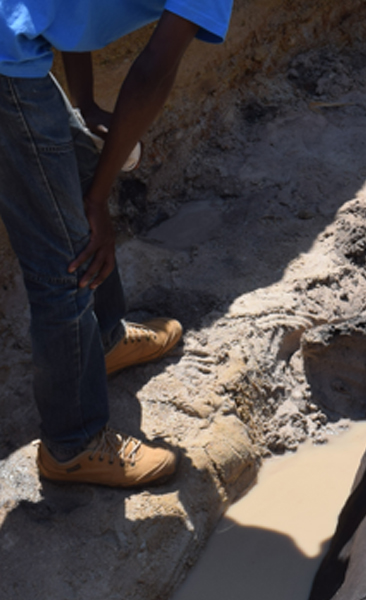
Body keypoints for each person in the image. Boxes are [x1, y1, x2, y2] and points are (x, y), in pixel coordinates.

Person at [0, 1, 232, 487]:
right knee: (64, 259)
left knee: (80, 166)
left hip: (15, 44)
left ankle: (104, 341)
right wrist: (99, 200)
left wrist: (83, 105)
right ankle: (73, 444)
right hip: (7, 63)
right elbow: (154, 69)